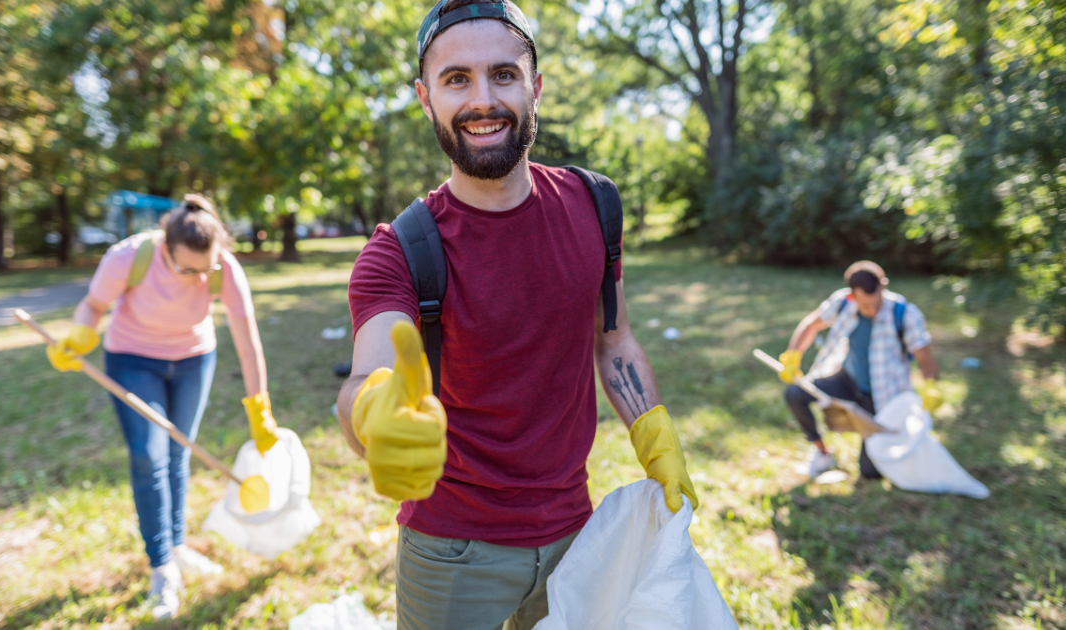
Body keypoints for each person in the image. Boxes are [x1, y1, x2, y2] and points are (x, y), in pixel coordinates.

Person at [335, 1, 698, 628]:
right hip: (451, 552)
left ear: (535, 86)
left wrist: (656, 440)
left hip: (577, 535)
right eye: (456, 79)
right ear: (426, 98)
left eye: (503, 74)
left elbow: (613, 341)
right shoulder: (399, 249)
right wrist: (374, 413)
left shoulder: (595, 205)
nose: (483, 99)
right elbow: (368, 373)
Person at [45, 194, 280, 620]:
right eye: (187, 269)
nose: (198, 279)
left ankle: (176, 545)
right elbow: (94, 305)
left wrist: (259, 410)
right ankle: (161, 568)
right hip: (133, 358)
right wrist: (80, 334)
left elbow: (248, 343)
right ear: (165, 248)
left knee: (178, 452)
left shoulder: (222, 267)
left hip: (193, 359)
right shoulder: (130, 256)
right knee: (148, 455)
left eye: (204, 270)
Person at [778, 261, 943, 479]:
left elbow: (925, 356)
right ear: (851, 296)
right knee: (795, 394)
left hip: (882, 395)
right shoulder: (842, 303)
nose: (873, 310)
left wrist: (930, 385)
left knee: (871, 472)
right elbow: (811, 325)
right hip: (847, 380)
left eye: (876, 303)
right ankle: (822, 453)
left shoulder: (904, 314)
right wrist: (793, 355)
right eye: (866, 306)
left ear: (883, 286)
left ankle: (873, 451)